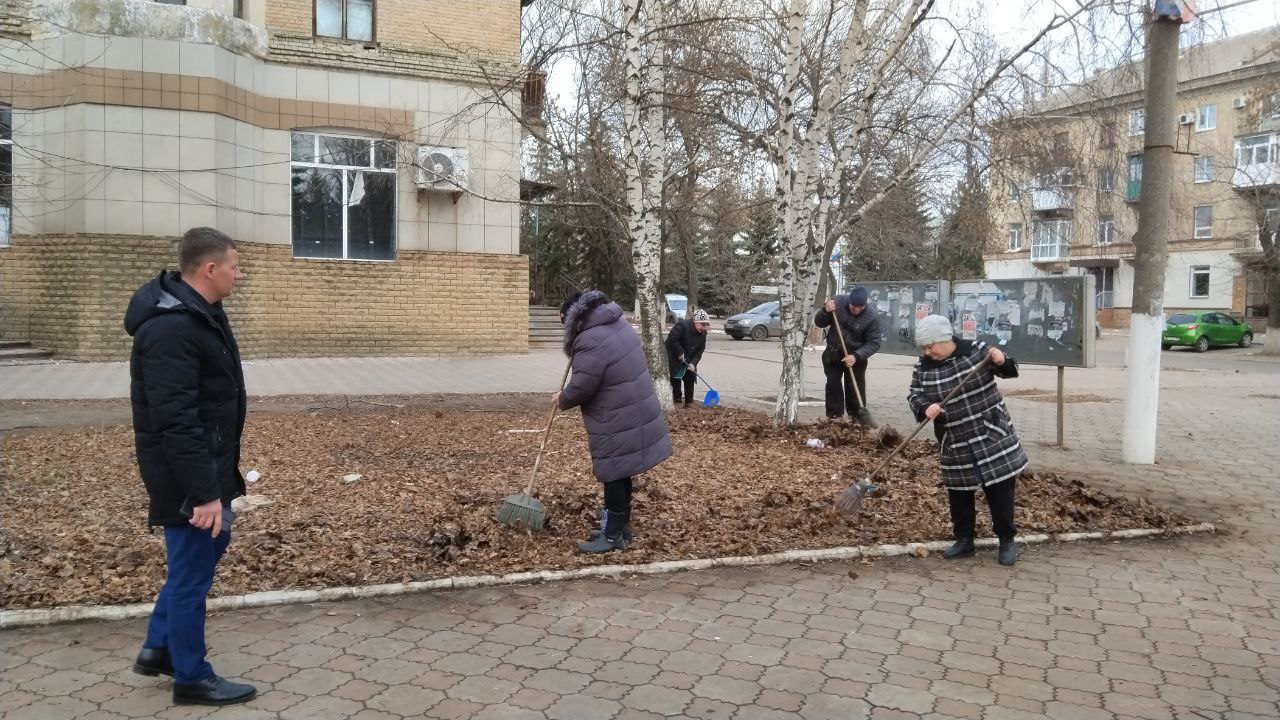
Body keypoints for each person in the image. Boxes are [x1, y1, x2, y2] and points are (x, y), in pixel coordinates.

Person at [124, 227, 257, 706]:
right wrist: (203, 493)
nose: (239, 275)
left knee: (204, 553)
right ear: (209, 269)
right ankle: (192, 677)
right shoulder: (171, 328)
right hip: (186, 474)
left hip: (206, 462)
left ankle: (160, 648)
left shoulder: (200, 314)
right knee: (191, 575)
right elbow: (175, 421)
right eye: (235, 266)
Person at [556, 290, 673, 553]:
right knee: (622, 471)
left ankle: (611, 537)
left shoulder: (590, 339)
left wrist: (562, 399)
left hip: (616, 415)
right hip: (632, 408)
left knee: (614, 473)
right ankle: (620, 528)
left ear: (573, 318)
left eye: (562, 323)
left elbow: (583, 385)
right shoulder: (616, 323)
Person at [907, 315, 1028, 567]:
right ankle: (964, 540)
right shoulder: (922, 367)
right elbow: (914, 395)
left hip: (990, 433)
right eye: (924, 348)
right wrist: (924, 407)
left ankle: (1006, 539)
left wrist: (1002, 360)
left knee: (999, 489)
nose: (928, 352)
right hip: (954, 438)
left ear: (946, 339)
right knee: (959, 492)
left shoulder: (977, 352)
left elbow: (1010, 371)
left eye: (931, 346)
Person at [813, 286, 882, 423]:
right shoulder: (837, 303)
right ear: (849, 301)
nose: (856, 309)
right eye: (853, 306)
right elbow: (819, 323)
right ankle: (834, 417)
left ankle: (856, 417)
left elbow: (874, 343)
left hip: (856, 356)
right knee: (833, 384)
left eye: (860, 307)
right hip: (834, 352)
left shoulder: (872, 317)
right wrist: (825, 311)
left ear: (865, 304)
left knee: (854, 387)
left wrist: (856, 356)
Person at [664, 308, 711, 407]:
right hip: (674, 358)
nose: (703, 327)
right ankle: (677, 401)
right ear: (695, 321)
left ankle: (689, 403)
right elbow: (672, 339)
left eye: (705, 325)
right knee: (675, 379)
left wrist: (693, 363)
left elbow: (700, 351)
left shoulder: (703, 333)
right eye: (702, 324)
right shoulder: (682, 326)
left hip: (689, 358)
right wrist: (680, 352)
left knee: (690, 377)